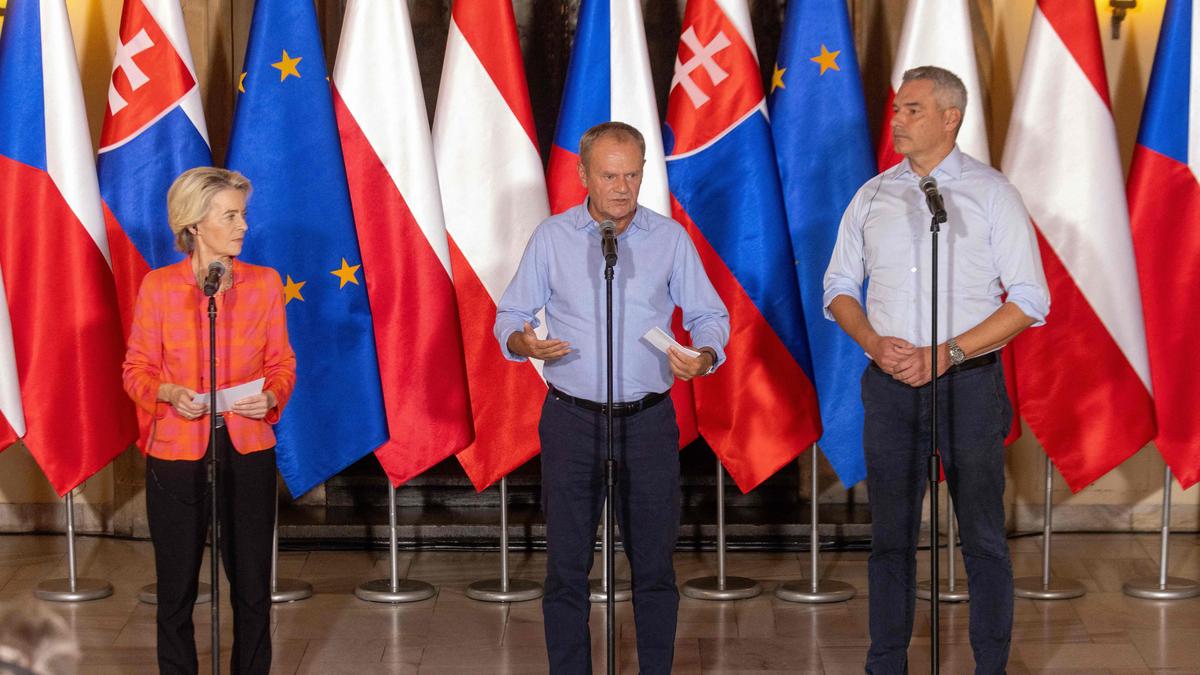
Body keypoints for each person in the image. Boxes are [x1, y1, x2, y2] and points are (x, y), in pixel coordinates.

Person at [823, 66, 1050, 674]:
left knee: (981, 537)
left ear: (951, 118)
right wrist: (871, 338)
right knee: (891, 538)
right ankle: (886, 664)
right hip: (891, 387)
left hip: (969, 386)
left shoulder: (992, 192)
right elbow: (838, 286)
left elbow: (1031, 300)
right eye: (897, 108)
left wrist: (947, 352)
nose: (897, 119)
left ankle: (990, 666)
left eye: (913, 109)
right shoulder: (871, 195)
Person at [495, 121, 729, 674]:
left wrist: (706, 356)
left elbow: (709, 315)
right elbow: (510, 316)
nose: (623, 187)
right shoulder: (552, 237)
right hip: (572, 422)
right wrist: (524, 341)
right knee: (566, 569)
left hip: (647, 424)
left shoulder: (669, 239)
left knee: (653, 568)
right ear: (583, 175)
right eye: (609, 175)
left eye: (632, 174)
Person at [123, 167, 296, 675]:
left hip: (247, 449)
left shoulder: (263, 285)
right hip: (176, 452)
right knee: (175, 590)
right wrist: (167, 393)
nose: (244, 225)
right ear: (195, 224)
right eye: (231, 215)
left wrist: (267, 397)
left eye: (243, 213)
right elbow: (135, 371)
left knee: (251, 587)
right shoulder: (158, 287)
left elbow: (283, 365)